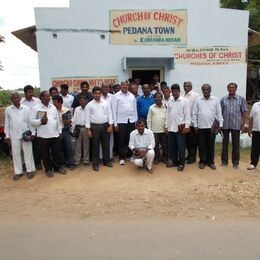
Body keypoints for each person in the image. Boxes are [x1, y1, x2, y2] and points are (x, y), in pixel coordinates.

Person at [31, 91, 66, 177]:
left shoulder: (53, 107)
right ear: (41, 98)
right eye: (46, 96)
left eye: (48, 96)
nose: (48, 98)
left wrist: (60, 131)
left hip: (54, 134)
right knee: (45, 154)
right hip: (43, 135)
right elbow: (31, 122)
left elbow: (57, 120)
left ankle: (58, 167)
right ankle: (48, 169)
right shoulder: (36, 108)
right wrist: (40, 121)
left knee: (57, 152)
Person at [5, 93, 36, 180]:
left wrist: (33, 133)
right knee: (16, 153)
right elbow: (7, 123)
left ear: (20, 99)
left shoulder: (26, 109)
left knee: (28, 152)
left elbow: (30, 122)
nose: (15, 99)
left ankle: (30, 171)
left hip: (26, 133)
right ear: (11, 100)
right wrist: (7, 135)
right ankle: (18, 172)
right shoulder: (8, 110)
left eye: (17, 98)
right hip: (14, 134)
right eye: (13, 98)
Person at [192, 84, 223, 170]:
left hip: (212, 127)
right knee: (202, 145)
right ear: (202, 91)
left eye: (207, 89)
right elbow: (194, 113)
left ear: (210, 90)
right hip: (201, 127)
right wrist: (195, 125)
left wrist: (220, 125)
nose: (206, 91)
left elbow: (219, 112)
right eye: (204, 90)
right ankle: (202, 161)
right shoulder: (198, 100)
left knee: (211, 145)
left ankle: (211, 162)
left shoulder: (215, 100)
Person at [86, 86, 113, 171]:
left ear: (101, 94)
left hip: (105, 126)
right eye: (95, 93)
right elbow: (87, 118)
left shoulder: (106, 103)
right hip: (94, 127)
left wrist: (111, 126)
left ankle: (106, 161)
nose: (97, 95)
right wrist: (88, 130)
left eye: (99, 93)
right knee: (95, 146)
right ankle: (95, 163)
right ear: (93, 94)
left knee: (106, 145)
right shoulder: (89, 105)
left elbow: (110, 114)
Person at [220, 82, 247, 169]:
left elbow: (244, 112)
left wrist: (242, 124)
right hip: (225, 125)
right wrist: (220, 125)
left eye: (233, 87)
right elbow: (220, 112)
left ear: (236, 89)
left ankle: (235, 163)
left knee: (236, 144)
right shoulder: (223, 99)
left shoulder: (241, 99)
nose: (231, 89)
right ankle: (224, 161)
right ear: (227, 89)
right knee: (225, 144)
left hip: (236, 125)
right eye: (230, 87)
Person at [165, 84, 190, 171]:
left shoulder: (184, 101)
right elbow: (167, 114)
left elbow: (187, 114)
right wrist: (166, 126)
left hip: (180, 128)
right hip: (171, 127)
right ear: (171, 92)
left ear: (179, 91)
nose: (174, 93)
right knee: (172, 147)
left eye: (176, 91)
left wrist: (187, 126)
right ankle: (174, 161)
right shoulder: (170, 101)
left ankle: (181, 163)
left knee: (181, 147)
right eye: (173, 91)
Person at [112, 81, 137, 165]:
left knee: (130, 139)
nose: (125, 87)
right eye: (123, 85)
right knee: (121, 140)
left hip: (131, 120)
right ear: (121, 86)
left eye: (126, 85)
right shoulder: (116, 96)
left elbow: (134, 109)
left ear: (128, 86)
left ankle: (130, 156)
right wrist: (115, 124)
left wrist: (135, 121)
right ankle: (122, 157)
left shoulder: (132, 96)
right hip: (121, 121)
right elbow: (114, 110)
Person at [20, 84, 42, 169]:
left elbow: (41, 112)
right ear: (25, 93)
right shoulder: (21, 101)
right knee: (27, 147)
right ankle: (27, 164)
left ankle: (37, 163)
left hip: (36, 126)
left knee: (37, 146)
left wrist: (39, 122)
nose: (31, 93)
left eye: (32, 92)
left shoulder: (37, 101)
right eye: (29, 92)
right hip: (26, 128)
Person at [52, 95, 75, 170]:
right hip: (55, 131)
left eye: (55, 102)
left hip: (65, 130)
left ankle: (70, 163)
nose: (54, 104)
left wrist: (66, 120)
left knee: (68, 147)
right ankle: (62, 164)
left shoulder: (66, 110)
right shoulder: (52, 110)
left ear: (60, 102)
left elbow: (67, 122)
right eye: (53, 102)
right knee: (59, 149)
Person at [147, 92, 168, 164]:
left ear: (162, 98)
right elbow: (149, 119)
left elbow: (168, 118)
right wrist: (149, 130)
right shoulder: (151, 107)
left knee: (165, 145)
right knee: (155, 145)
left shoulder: (166, 106)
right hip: (154, 130)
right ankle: (157, 158)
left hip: (163, 130)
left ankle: (165, 157)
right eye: (156, 97)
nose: (158, 99)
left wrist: (166, 127)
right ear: (154, 98)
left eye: (159, 97)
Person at [183, 81, 199, 164]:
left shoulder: (195, 95)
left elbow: (196, 110)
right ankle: (189, 156)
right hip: (186, 122)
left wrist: (194, 122)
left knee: (193, 142)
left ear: (191, 87)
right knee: (187, 141)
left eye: (188, 86)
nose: (186, 87)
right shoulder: (184, 95)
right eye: (185, 86)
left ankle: (192, 158)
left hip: (192, 123)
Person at [72, 96, 90, 167]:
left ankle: (86, 159)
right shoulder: (77, 109)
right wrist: (73, 129)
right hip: (78, 128)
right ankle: (77, 160)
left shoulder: (89, 109)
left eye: (84, 101)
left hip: (86, 128)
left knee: (86, 145)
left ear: (86, 101)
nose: (82, 102)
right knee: (77, 145)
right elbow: (74, 119)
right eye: (81, 101)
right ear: (79, 102)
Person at [100, 84, 114, 161]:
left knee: (111, 140)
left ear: (109, 88)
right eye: (103, 87)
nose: (105, 88)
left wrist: (112, 123)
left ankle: (110, 156)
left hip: (110, 121)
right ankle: (101, 157)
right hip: (102, 121)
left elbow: (114, 109)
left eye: (106, 87)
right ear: (101, 89)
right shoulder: (98, 97)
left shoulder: (112, 97)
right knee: (101, 140)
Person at [247, 101, 260, 170]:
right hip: (256, 130)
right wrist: (249, 128)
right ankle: (253, 163)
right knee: (255, 148)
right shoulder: (255, 105)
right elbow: (251, 118)